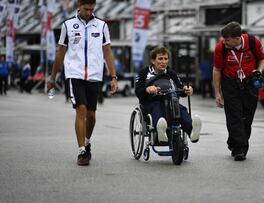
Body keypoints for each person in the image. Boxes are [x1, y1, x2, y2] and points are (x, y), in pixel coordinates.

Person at [47, 0, 118, 166]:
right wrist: (52, 78)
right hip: (74, 74)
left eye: (92, 9)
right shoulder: (68, 25)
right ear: (78, 6)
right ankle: (82, 151)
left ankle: (87, 142)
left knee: (92, 115)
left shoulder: (101, 26)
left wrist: (113, 77)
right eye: (86, 9)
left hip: (95, 75)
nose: (89, 12)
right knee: (81, 109)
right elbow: (60, 53)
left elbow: (107, 52)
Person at [212, 21, 264, 161]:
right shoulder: (221, 48)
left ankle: (234, 142)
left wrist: (259, 70)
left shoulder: (253, 42)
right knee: (234, 116)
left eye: (227, 40)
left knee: (247, 117)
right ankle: (240, 149)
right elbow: (217, 69)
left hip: (250, 83)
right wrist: (217, 93)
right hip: (230, 83)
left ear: (237, 38)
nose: (224, 42)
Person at [135, 46, 201, 144]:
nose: (163, 62)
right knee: (157, 107)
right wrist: (147, 90)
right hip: (151, 103)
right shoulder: (144, 73)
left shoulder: (171, 73)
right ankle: (161, 132)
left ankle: (192, 132)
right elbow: (138, 91)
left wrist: (186, 90)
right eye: (160, 59)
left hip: (170, 102)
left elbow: (180, 89)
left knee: (181, 109)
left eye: (166, 59)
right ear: (153, 60)